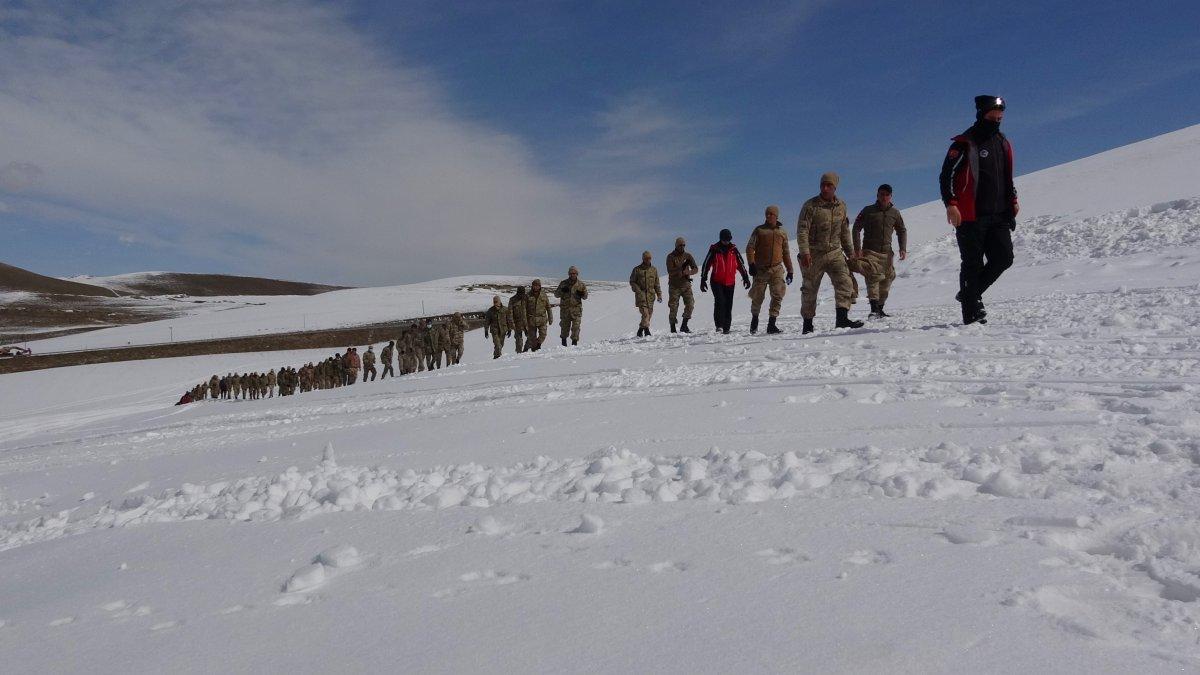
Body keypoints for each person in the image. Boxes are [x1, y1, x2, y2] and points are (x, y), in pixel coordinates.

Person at [940, 94, 1018, 325]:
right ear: (981, 114)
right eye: (992, 117)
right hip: (970, 215)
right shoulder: (964, 143)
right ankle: (971, 313)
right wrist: (951, 204)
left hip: (998, 214)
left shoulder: (1002, 143)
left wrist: (1012, 199)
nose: (996, 121)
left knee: (1003, 258)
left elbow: (1006, 177)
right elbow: (947, 176)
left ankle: (969, 295)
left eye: (999, 118)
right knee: (972, 263)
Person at [797, 172, 863, 333]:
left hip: (835, 252)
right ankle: (807, 325)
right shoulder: (810, 206)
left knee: (845, 282)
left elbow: (844, 231)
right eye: (822, 185)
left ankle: (842, 319)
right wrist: (805, 252)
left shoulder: (841, 206)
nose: (825, 188)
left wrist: (850, 253)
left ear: (835, 187)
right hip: (814, 254)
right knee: (810, 289)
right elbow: (802, 231)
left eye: (828, 186)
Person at [851, 184, 908, 318]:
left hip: (887, 253)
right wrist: (857, 249)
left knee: (888, 278)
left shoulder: (895, 213)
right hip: (870, 251)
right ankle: (874, 309)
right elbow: (856, 228)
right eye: (881, 194)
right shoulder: (868, 210)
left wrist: (903, 248)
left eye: (887, 195)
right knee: (873, 277)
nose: (884, 197)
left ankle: (880, 308)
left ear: (890, 196)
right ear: (877, 195)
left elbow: (902, 230)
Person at [746, 205, 794, 334]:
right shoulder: (759, 230)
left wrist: (790, 271)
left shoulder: (782, 232)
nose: (768, 216)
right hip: (761, 270)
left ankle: (772, 324)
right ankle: (755, 318)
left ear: (776, 216)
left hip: (777, 269)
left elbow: (786, 253)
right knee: (757, 296)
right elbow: (750, 248)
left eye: (771, 214)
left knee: (778, 295)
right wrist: (751, 264)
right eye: (767, 214)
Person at [700, 228, 751, 334]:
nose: (726, 241)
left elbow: (741, 264)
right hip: (716, 281)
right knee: (720, 301)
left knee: (728, 304)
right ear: (721, 239)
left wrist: (745, 277)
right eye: (724, 240)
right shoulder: (714, 249)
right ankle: (719, 325)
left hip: (730, 282)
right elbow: (706, 264)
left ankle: (726, 328)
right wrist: (703, 279)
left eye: (728, 239)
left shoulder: (734, 250)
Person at [665, 237, 699, 333]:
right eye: (680, 245)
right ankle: (672, 327)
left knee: (690, 304)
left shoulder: (688, 256)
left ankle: (684, 325)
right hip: (674, 285)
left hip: (686, 284)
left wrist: (688, 272)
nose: (682, 247)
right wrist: (680, 269)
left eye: (684, 245)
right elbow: (670, 271)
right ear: (676, 245)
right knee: (673, 307)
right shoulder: (670, 257)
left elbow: (695, 268)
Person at [629, 251, 662, 337]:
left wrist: (659, 295)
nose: (648, 260)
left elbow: (656, 284)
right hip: (641, 296)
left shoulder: (654, 270)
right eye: (646, 258)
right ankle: (647, 331)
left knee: (649, 314)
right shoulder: (637, 269)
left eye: (649, 258)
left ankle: (640, 330)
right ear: (643, 259)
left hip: (651, 296)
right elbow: (632, 281)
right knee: (645, 314)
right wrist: (638, 290)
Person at [555, 266, 588, 346]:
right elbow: (556, 294)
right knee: (564, 327)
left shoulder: (581, 284)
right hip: (565, 310)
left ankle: (574, 343)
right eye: (571, 273)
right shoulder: (563, 283)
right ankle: (564, 343)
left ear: (577, 274)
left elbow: (585, 297)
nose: (572, 275)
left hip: (576, 310)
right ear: (568, 274)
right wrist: (562, 291)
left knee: (576, 327)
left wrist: (582, 294)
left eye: (574, 273)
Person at [525, 279, 554, 351]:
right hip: (531, 320)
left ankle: (537, 345)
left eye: (537, 285)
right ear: (532, 286)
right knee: (532, 338)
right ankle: (531, 350)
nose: (536, 287)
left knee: (543, 335)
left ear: (540, 286)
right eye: (534, 285)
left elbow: (548, 307)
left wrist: (550, 318)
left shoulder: (544, 295)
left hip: (542, 319)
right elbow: (524, 309)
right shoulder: (528, 295)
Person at [509, 286, 529, 353]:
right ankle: (519, 355)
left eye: (522, 294)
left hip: (527, 323)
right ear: (517, 292)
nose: (521, 295)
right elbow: (510, 313)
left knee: (531, 338)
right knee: (519, 341)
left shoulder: (527, 298)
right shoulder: (512, 300)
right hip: (517, 324)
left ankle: (525, 350)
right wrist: (512, 324)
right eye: (520, 294)